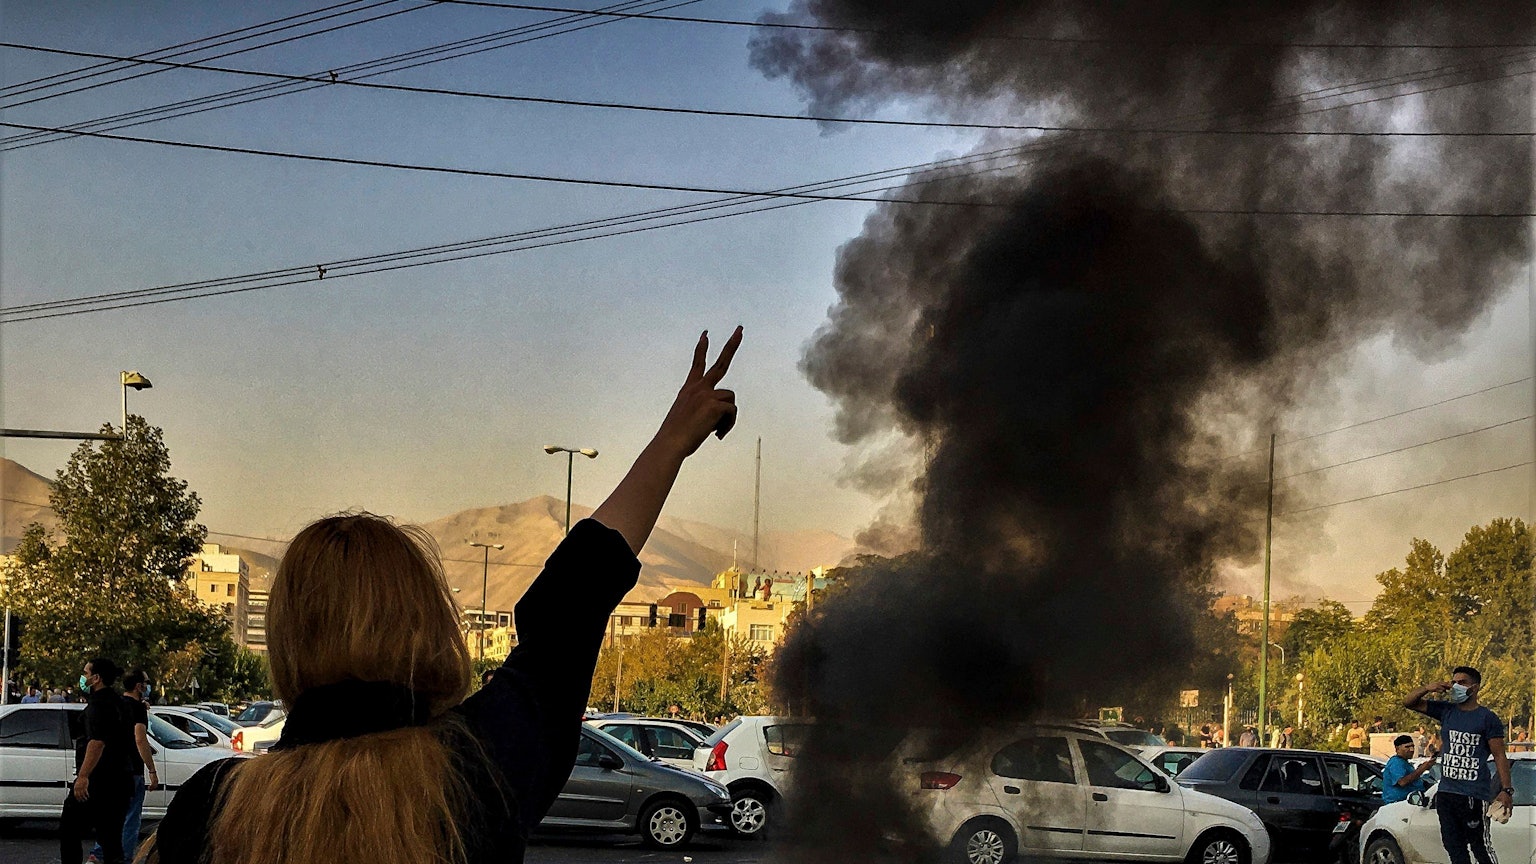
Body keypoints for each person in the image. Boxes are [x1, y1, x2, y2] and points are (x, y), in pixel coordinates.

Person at [143, 326, 743, 864]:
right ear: (425, 621)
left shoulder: (210, 809)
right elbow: (569, 602)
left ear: (288, 636)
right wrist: (670, 443)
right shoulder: (482, 765)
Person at [1404, 666, 1513, 864]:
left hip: (1473, 794)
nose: (1456, 686)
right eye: (1453, 682)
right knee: (1453, 846)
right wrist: (1427, 688)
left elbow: (1499, 755)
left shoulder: (1487, 718)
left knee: (1480, 846)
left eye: (1462, 683)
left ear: (1475, 687)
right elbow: (1409, 702)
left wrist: (1506, 790)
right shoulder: (1446, 710)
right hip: (1447, 793)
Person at [60, 657, 134, 864]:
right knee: (111, 838)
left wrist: (83, 777)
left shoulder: (98, 705)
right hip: (120, 780)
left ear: (96, 678)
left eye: (86, 673)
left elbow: (97, 743)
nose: (83, 678)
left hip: (99, 782)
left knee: (69, 829)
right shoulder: (120, 703)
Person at [89, 670, 159, 863]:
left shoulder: (116, 704)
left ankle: (99, 853)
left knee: (111, 815)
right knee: (130, 818)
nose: (147, 686)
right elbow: (140, 739)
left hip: (111, 768)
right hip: (132, 770)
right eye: (146, 682)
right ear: (138, 686)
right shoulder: (137, 709)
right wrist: (151, 770)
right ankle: (124, 858)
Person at [1382, 734, 1435, 804]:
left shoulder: (1405, 762)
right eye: (1407, 747)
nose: (1411, 750)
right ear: (1397, 749)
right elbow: (1402, 782)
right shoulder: (1396, 762)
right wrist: (1422, 769)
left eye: (1413, 746)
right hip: (1399, 804)